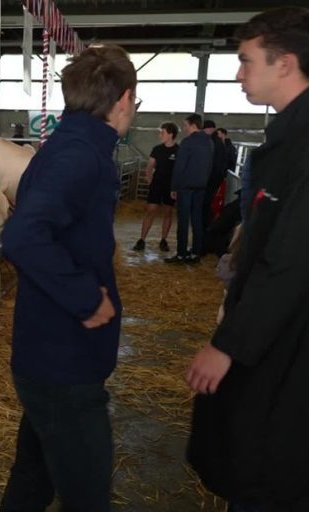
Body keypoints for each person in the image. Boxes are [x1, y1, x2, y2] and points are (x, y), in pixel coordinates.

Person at [0, 45, 138, 512]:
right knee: (87, 493)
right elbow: (22, 235)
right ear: (123, 99)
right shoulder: (81, 154)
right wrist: (86, 297)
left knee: (34, 477)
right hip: (65, 358)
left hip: (49, 351)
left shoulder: (70, 145)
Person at [186, 7, 309, 512]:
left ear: (286, 63)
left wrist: (228, 344)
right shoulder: (288, 137)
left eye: (245, 61)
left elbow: (290, 260)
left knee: (267, 460)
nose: (238, 74)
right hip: (278, 331)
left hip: (289, 343)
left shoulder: (302, 146)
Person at [164, 113, 214, 264]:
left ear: (193, 125)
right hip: (201, 186)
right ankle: (195, 254)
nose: (184, 128)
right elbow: (210, 165)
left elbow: (180, 167)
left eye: (185, 125)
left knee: (184, 220)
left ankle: (181, 254)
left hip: (185, 186)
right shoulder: (209, 142)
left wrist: (174, 187)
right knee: (197, 219)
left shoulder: (187, 142)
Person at [132, 122, 180, 252]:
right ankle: (141, 240)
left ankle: (163, 240)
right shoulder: (157, 149)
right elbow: (150, 166)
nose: (160, 135)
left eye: (163, 133)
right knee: (150, 211)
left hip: (170, 187)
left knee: (168, 213)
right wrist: (149, 180)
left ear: (171, 134)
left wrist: (176, 187)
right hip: (157, 185)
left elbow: (180, 170)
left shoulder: (179, 151)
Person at [202, 119, 230, 232]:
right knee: (208, 205)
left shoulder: (211, 142)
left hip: (210, 180)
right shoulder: (219, 142)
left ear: (209, 129)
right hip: (216, 179)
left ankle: (205, 232)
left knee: (205, 207)